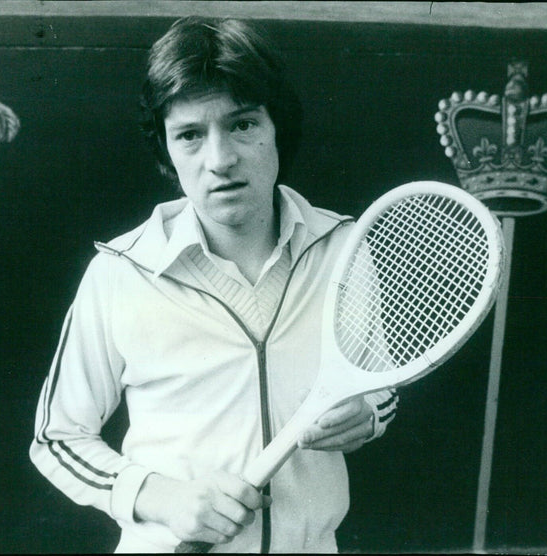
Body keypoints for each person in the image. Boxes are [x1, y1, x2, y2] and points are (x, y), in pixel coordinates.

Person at [30, 16, 398, 553]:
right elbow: (57, 439)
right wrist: (161, 496)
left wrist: (367, 417)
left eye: (243, 124)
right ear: (166, 151)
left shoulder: (342, 247)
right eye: (190, 135)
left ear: (277, 128)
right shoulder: (122, 271)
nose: (220, 160)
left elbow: (378, 390)